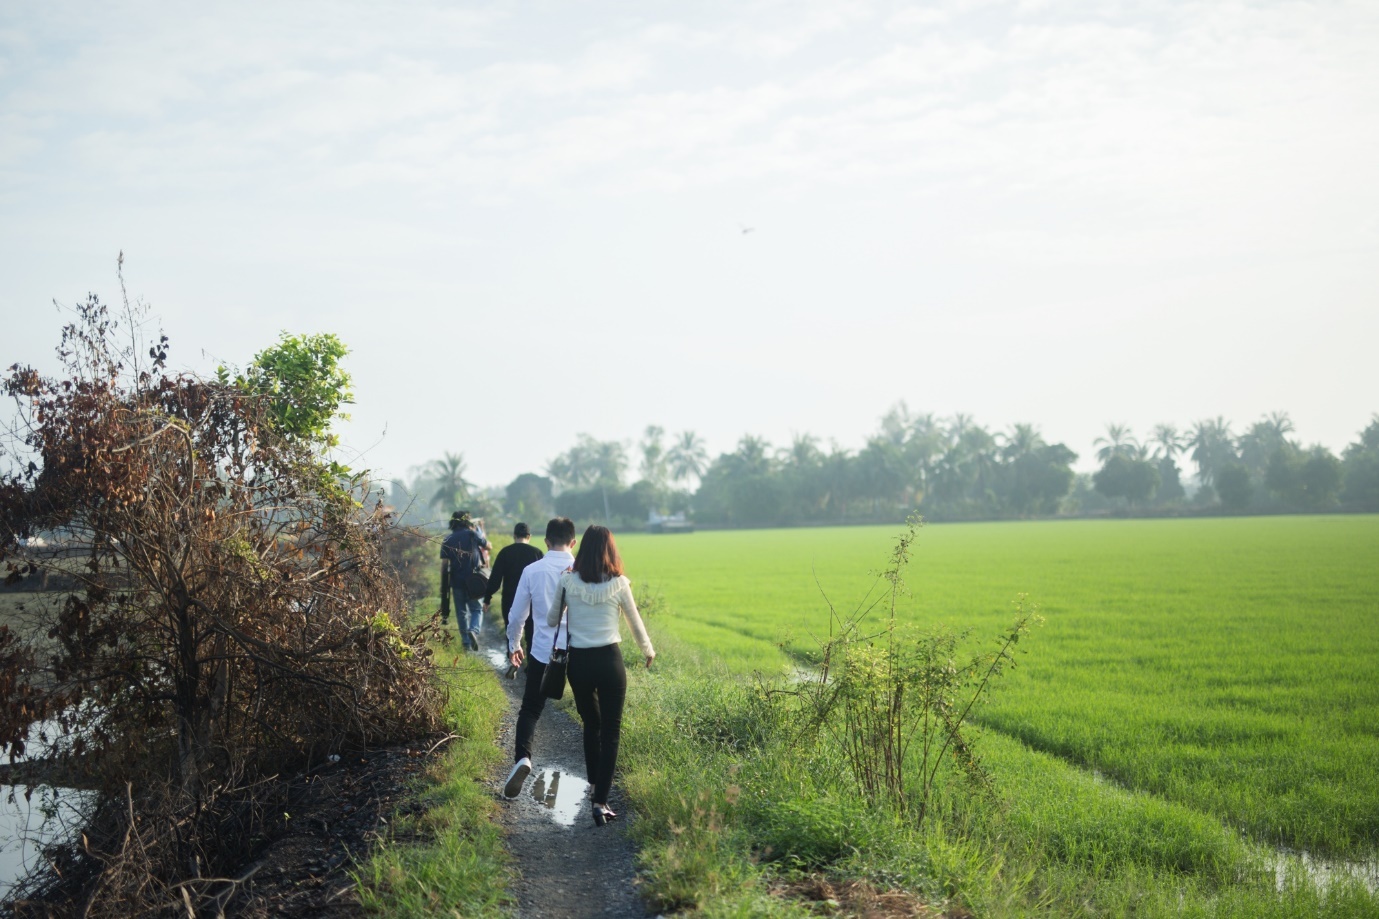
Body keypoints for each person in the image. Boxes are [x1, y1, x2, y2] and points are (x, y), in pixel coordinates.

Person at [549, 525, 654, 826]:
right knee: (611, 732)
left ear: (582, 549)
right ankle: (600, 802)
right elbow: (635, 622)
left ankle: (594, 785)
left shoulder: (567, 580)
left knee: (590, 724)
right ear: (610, 549)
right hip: (610, 661)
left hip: (579, 663)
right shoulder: (619, 583)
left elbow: (551, 619)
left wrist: (567, 599)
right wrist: (648, 650)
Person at [502, 517, 578, 798]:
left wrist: (514, 644)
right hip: (580, 651)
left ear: (546, 541)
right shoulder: (583, 570)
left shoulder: (532, 570)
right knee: (590, 713)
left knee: (531, 709)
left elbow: (516, 614)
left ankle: (523, 758)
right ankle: (598, 785)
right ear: (574, 542)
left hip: (543, 651)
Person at [485, 522, 544, 662]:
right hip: (532, 601)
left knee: (511, 631)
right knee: (532, 634)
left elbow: (495, 579)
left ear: (514, 536)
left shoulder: (505, 552)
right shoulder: (537, 553)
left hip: (510, 599)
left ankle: (513, 662)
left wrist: (487, 598)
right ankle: (531, 665)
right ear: (529, 536)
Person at [440, 510, 489, 651]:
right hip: (474, 581)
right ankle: (473, 630)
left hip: (456, 581)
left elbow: (444, 565)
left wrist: (444, 587)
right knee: (476, 609)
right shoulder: (472, 534)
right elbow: (487, 545)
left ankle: (466, 643)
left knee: (461, 612)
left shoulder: (448, 539)